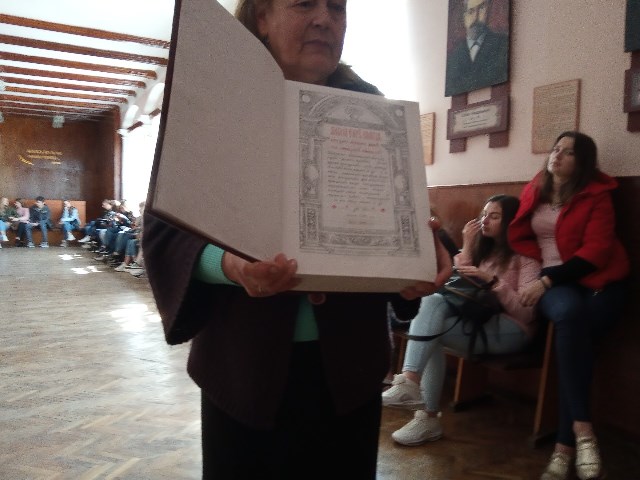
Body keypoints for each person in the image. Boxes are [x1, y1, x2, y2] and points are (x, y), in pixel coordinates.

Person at [142, 1, 452, 478]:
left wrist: (419, 259)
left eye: (337, 7)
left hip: (348, 371)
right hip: (245, 365)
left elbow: (399, 217)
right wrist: (230, 266)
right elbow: (167, 231)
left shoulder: (371, 106)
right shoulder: (215, 104)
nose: (325, 18)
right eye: (305, 2)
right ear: (262, 17)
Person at [508, 131, 629, 480]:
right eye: (556, 148)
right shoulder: (536, 189)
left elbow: (596, 253)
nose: (557, 155)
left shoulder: (597, 194)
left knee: (576, 343)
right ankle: (583, 431)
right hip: (555, 281)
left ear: (583, 162)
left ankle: (564, 448)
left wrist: (545, 282)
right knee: (570, 320)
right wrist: (538, 275)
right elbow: (520, 233)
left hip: (599, 279)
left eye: (569, 152)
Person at [382, 195, 542, 446]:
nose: (485, 221)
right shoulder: (485, 250)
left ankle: (425, 414)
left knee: (430, 333)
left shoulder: (526, 258)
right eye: (483, 215)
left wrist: (492, 281)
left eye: (494, 216)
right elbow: (455, 282)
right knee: (432, 305)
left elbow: (527, 313)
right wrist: (468, 245)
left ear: (511, 222)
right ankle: (411, 384)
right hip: (478, 321)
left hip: (513, 328)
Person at [445, 0, 509, 97]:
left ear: (488, 10)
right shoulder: (453, 58)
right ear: (464, 16)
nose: (476, 17)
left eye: (481, 8)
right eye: (471, 11)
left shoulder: (502, 45)